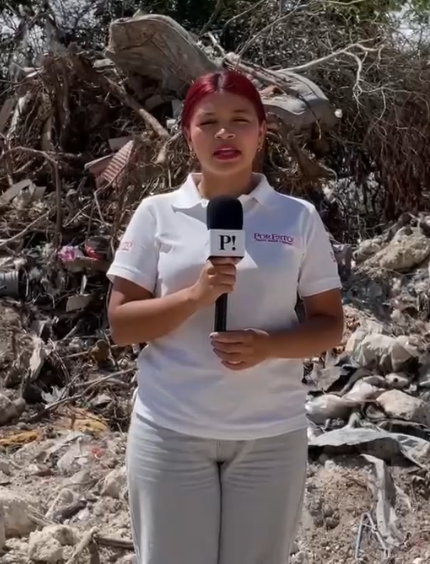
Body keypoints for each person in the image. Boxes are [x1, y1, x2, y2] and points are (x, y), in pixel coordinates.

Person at [105, 69, 345, 564]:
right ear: (187, 133)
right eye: (208, 122)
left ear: (262, 131)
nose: (225, 134)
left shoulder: (297, 217)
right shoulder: (157, 213)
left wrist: (268, 346)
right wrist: (195, 296)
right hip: (170, 431)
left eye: (240, 120)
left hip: (270, 435)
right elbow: (122, 323)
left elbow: (329, 323)